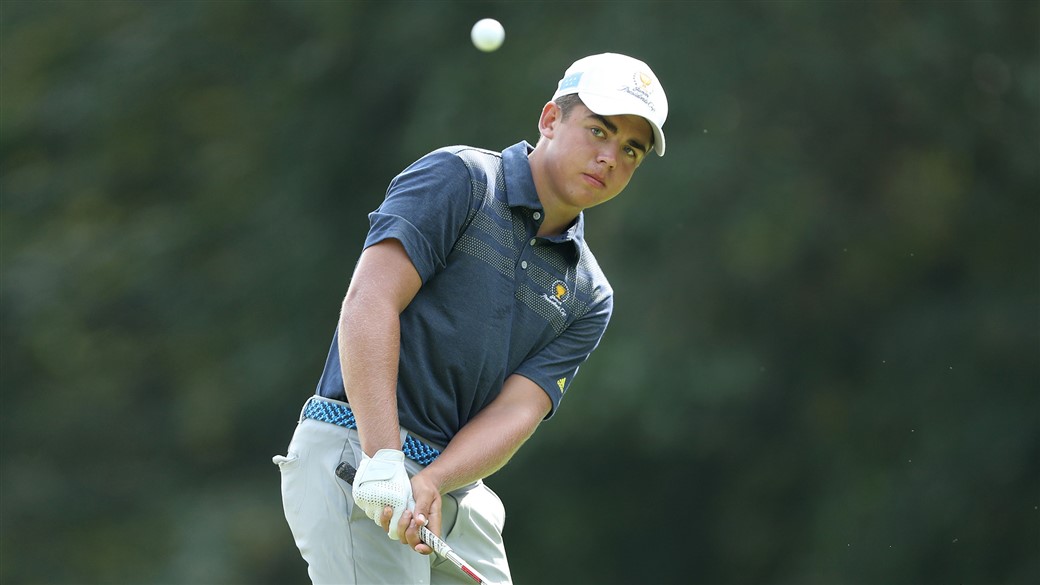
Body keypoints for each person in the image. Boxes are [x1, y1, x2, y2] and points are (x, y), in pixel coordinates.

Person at [274, 52, 668, 584]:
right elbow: (370, 301)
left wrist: (435, 479)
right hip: (359, 452)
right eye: (598, 131)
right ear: (551, 119)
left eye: (630, 151)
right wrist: (385, 457)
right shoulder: (461, 179)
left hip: (451, 487)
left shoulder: (589, 293)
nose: (609, 158)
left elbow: (517, 412)